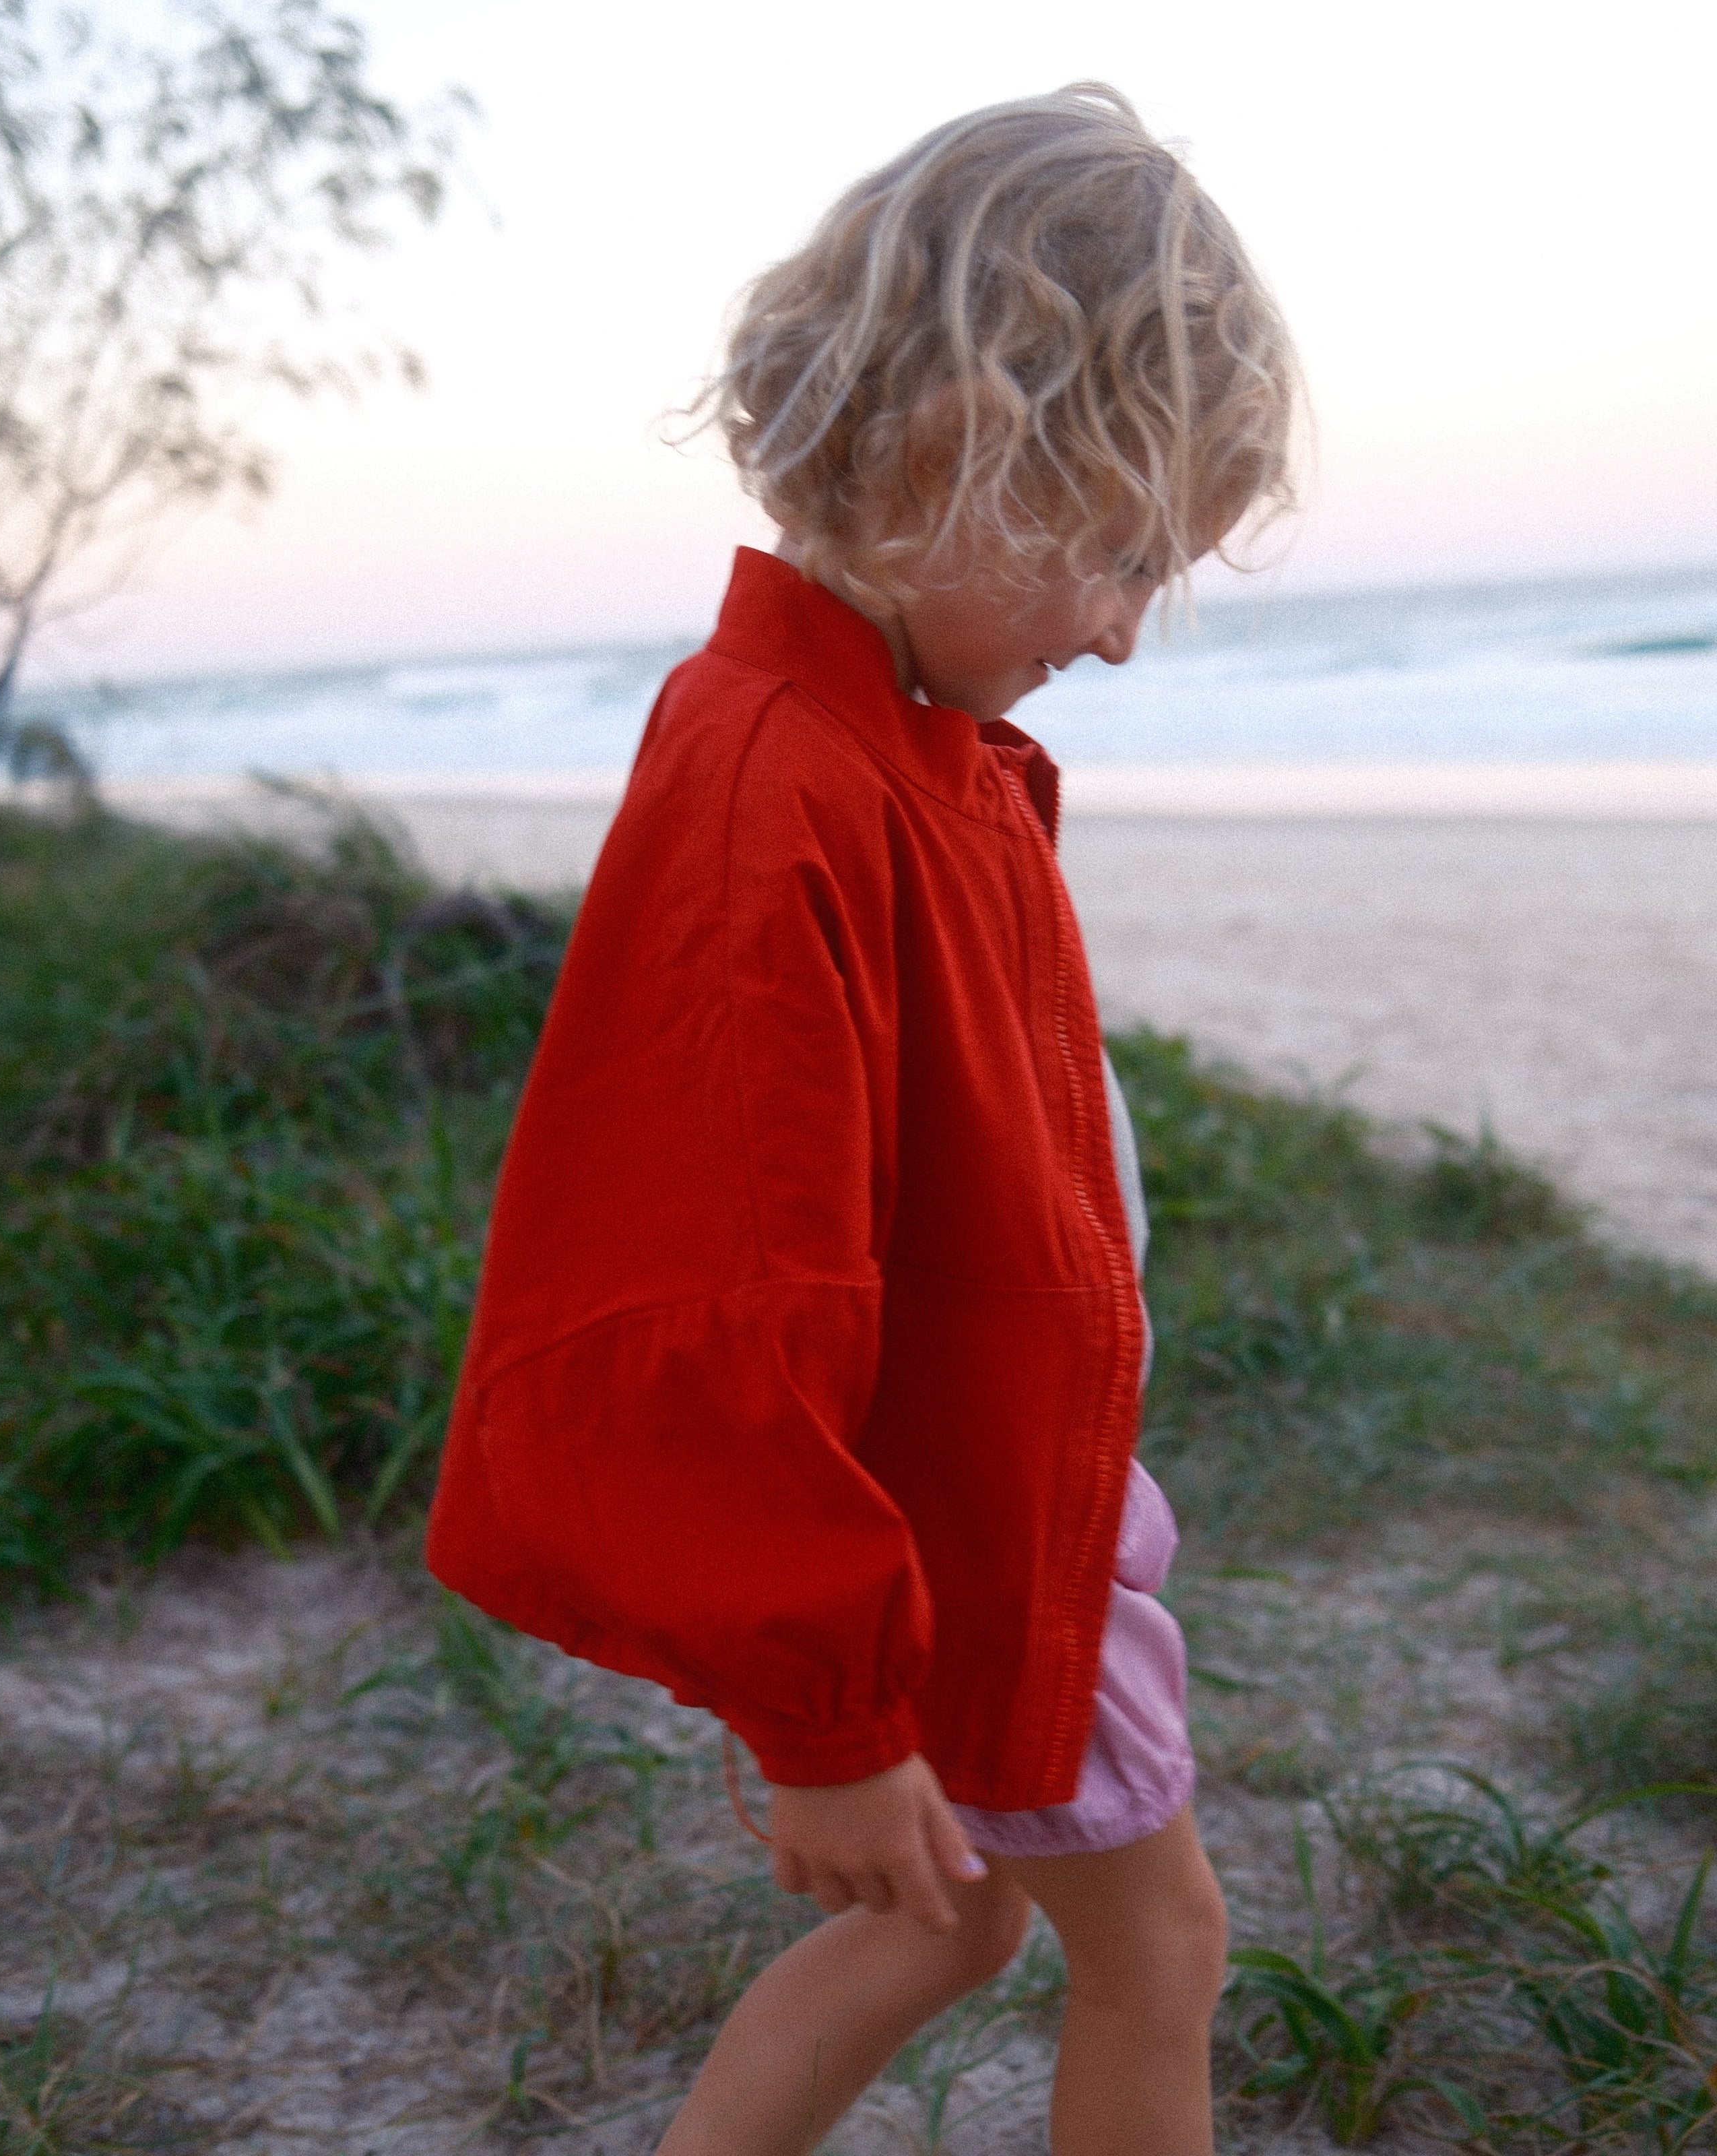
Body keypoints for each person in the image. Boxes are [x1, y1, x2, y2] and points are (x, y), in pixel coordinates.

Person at [426, 84, 1299, 2156]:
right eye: (1112, 551)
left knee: (959, 1924)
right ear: (955, 440)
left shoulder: (913, 739)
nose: (1115, 627)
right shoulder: (777, 780)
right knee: (1156, 1948)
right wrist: (821, 1713)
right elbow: (712, 1277)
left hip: (1017, 1489)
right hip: (967, 1540)